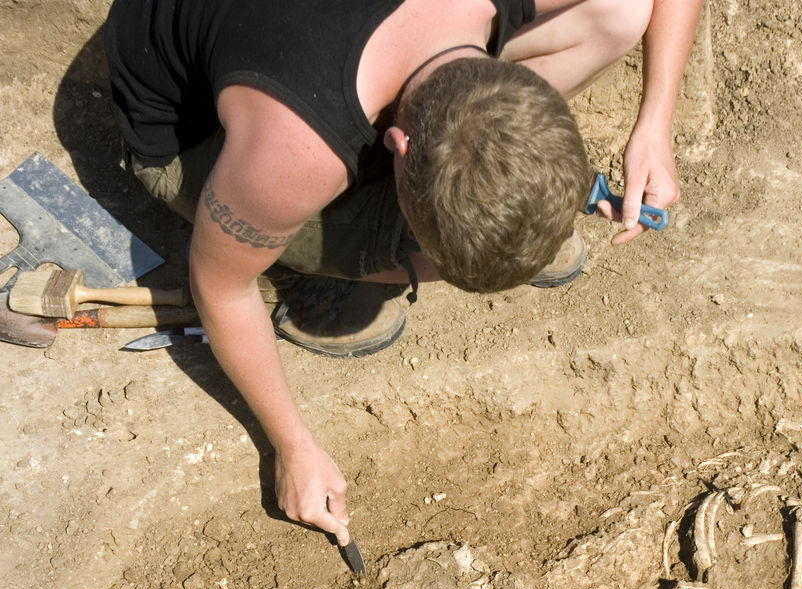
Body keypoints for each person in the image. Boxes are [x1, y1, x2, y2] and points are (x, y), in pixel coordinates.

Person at [104, 0, 702, 546]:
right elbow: (220, 285)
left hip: (318, 38)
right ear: (394, 147)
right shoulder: (297, 151)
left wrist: (655, 122)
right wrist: (294, 449)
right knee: (396, 247)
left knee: (621, 11)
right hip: (189, 128)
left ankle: (499, 192)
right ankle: (309, 265)